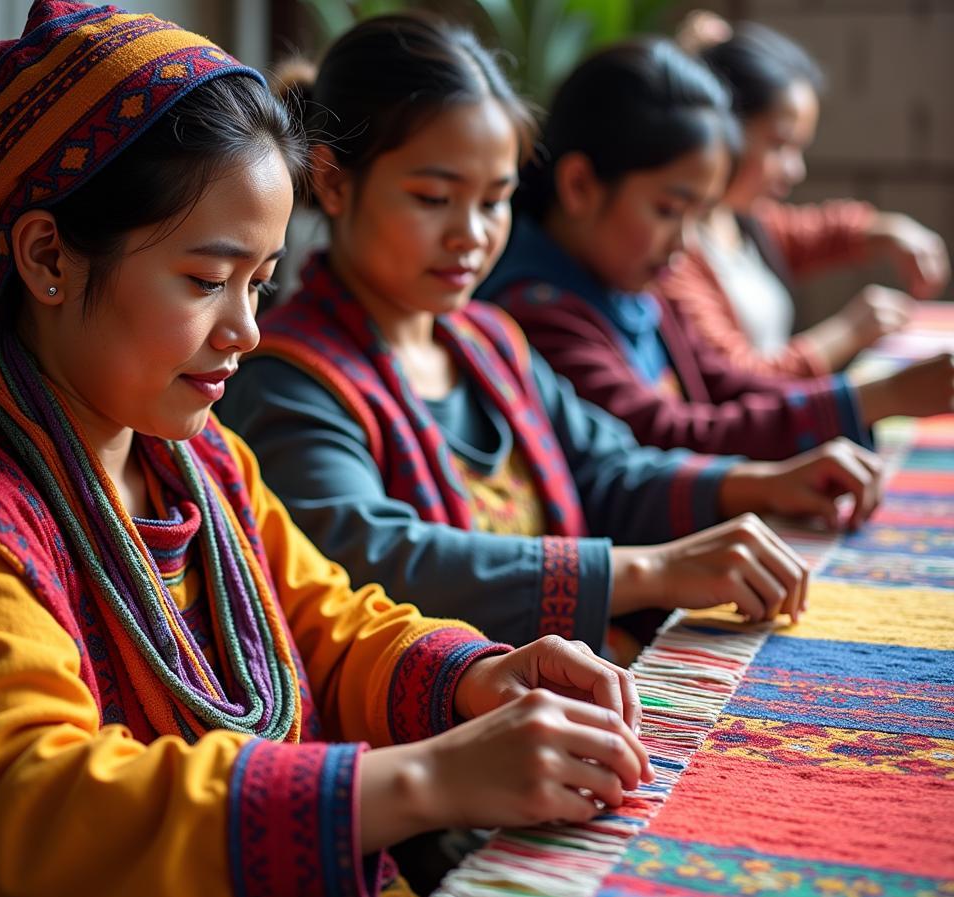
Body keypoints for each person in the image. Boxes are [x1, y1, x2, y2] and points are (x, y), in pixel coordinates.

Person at [0, 4, 656, 897]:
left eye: (262, 281)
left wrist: (479, 678)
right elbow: (37, 809)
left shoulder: (197, 457)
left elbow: (322, 620)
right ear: (48, 257)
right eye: (206, 279)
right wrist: (424, 780)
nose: (245, 330)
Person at [220, 14, 885, 672]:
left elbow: (606, 469)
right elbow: (384, 560)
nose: (471, 234)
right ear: (335, 181)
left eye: (493, 200)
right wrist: (655, 570)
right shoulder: (288, 378)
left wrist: (764, 483)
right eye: (433, 198)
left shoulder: (486, 340)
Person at [480, 37, 954, 461]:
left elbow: (722, 384)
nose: (685, 243)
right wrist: (866, 401)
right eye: (668, 210)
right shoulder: (535, 313)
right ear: (580, 186)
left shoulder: (634, 281)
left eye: (699, 215)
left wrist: (859, 400)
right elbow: (660, 435)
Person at [660, 17, 951, 379]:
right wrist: (849, 332)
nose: (794, 170)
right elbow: (736, 382)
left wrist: (888, 230)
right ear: (722, 128)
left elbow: (809, 233)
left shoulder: (738, 220)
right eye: (779, 145)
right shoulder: (672, 251)